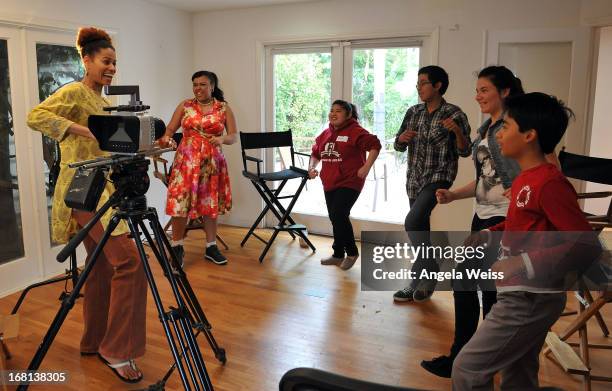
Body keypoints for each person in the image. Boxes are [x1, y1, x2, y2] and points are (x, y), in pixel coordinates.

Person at [452, 92, 601, 390]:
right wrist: (490, 233)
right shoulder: (525, 178)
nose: (499, 133)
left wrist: (523, 262)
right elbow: (526, 222)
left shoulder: (550, 183)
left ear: (529, 135)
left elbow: (585, 244)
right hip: (520, 292)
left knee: (467, 370)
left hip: (530, 298)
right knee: (518, 374)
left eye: (505, 126)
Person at [27, 27, 146, 383]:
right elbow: (36, 116)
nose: (112, 68)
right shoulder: (74, 92)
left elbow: (110, 143)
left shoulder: (103, 101)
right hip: (84, 192)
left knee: (102, 270)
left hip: (102, 189)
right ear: (87, 60)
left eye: (115, 63)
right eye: (106, 62)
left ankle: (94, 340)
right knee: (130, 262)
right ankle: (117, 349)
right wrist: (82, 131)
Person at [420, 65, 523, 377]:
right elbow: (485, 181)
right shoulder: (487, 129)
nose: (478, 96)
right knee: (475, 286)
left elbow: (522, 180)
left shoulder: (512, 129)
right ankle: (471, 359)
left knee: (481, 288)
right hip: (482, 218)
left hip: (503, 222)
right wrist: (454, 195)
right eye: (477, 90)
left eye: (485, 90)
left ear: (504, 91)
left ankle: (468, 361)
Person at [392, 65, 471, 302]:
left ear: (437, 85)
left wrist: (457, 132)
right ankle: (424, 277)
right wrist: (401, 139)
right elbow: (397, 145)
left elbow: (466, 151)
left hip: (439, 176)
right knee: (420, 229)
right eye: (417, 84)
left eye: (423, 83)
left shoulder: (454, 113)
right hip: (414, 177)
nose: (419, 87)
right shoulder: (413, 112)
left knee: (413, 220)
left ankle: (428, 271)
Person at [158, 71, 237, 266]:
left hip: (211, 163)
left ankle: (211, 246)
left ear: (212, 86)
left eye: (202, 84)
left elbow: (234, 136)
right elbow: (169, 130)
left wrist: (221, 139)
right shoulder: (185, 106)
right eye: (195, 84)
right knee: (179, 202)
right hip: (185, 161)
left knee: (210, 205)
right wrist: (167, 138)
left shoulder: (223, 108)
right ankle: (177, 246)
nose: (198, 88)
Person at [308, 100, 381, 271]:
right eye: (331, 110)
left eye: (338, 111)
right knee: (336, 217)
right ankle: (338, 254)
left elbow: (375, 145)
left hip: (350, 180)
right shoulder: (325, 134)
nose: (333, 113)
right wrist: (311, 167)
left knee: (338, 214)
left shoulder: (356, 131)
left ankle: (352, 252)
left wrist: (366, 166)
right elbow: (315, 153)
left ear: (348, 115)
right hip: (329, 181)